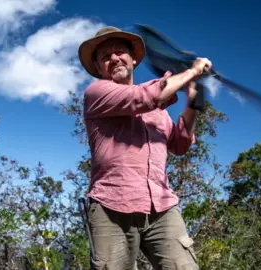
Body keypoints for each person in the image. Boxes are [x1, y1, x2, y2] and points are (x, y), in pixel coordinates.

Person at [78, 26, 212, 270]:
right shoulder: (97, 92)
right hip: (111, 207)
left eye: (120, 52)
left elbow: (180, 143)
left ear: (133, 59)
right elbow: (146, 97)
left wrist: (194, 102)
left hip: (161, 206)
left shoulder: (159, 112)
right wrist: (192, 71)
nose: (114, 58)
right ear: (98, 68)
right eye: (105, 57)